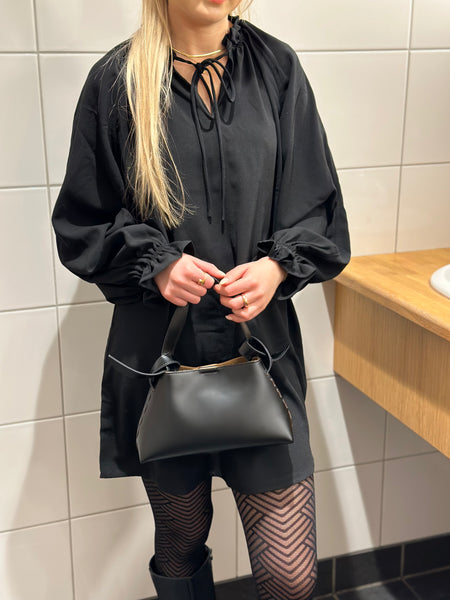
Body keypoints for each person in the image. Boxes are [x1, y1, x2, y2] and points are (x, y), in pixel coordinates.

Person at [52, 1, 350, 599]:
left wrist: (276, 267)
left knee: (290, 577)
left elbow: (316, 200)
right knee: (180, 539)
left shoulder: (277, 69)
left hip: (262, 351)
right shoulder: (117, 80)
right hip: (161, 358)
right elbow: (84, 220)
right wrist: (156, 264)